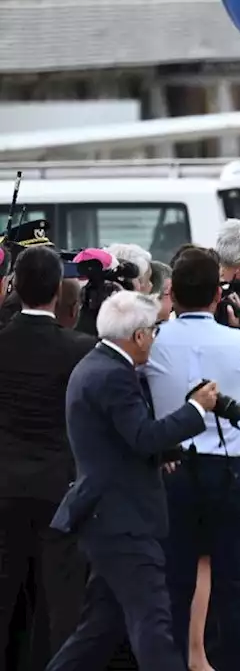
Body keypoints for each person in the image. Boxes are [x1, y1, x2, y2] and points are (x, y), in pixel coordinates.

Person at [46, 291, 220, 671]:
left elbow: (121, 440)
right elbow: (141, 436)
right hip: (122, 520)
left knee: (98, 630)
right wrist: (196, 409)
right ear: (139, 336)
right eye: (154, 331)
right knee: (152, 623)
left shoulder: (97, 366)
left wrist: (164, 452)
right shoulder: (112, 375)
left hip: (107, 516)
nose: (155, 339)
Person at [141, 248, 240, 670]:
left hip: (174, 472)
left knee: (173, 590)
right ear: (219, 295)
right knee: (235, 592)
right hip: (230, 475)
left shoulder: (155, 342)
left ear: (172, 294)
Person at [0, 247, 98, 670]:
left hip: (3, 487)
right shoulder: (79, 349)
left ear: (15, 287)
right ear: (58, 292)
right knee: (56, 603)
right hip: (58, 488)